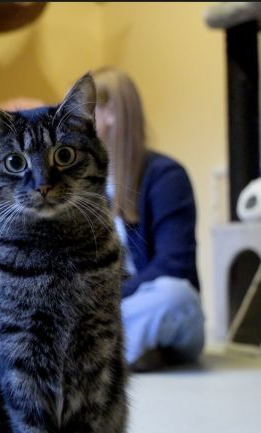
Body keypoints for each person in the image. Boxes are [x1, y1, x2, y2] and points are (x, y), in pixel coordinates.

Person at [92, 67, 205, 371]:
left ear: (111, 113)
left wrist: (103, 301)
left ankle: (92, 360)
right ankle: (127, 354)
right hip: (108, 313)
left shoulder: (165, 176)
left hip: (147, 307)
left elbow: (174, 266)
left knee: (175, 296)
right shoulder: (86, 186)